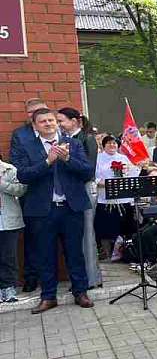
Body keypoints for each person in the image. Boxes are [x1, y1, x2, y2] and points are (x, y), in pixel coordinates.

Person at [11, 108, 95, 313]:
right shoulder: (26, 146)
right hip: (42, 210)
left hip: (70, 207)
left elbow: (87, 172)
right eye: (43, 121)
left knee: (75, 252)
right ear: (35, 126)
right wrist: (48, 161)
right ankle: (48, 296)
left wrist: (68, 159)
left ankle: (80, 292)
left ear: (56, 123)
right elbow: (23, 175)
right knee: (45, 255)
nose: (48, 124)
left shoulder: (73, 143)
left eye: (51, 120)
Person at [57, 107, 102, 290]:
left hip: (85, 189)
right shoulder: (63, 140)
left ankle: (91, 278)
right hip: (71, 191)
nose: (59, 124)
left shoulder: (87, 138)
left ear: (74, 121)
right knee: (76, 235)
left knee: (86, 234)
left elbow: (88, 170)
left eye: (62, 121)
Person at [9, 98, 48, 294]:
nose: (35, 114)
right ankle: (31, 278)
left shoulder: (55, 132)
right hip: (32, 193)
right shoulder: (20, 135)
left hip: (56, 194)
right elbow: (17, 165)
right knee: (32, 238)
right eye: (31, 112)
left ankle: (54, 278)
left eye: (39, 110)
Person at [95, 135, 138, 262]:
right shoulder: (98, 159)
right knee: (106, 230)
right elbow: (94, 177)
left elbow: (132, 173)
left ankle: (124, 253)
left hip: (123, 199)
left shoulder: (123, 158)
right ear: (104, 145)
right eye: (109, 143)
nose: (112, 145)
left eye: (114, 143)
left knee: (125, 228)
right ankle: (108, 255)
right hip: (106, 199)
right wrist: (104, 183)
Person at [0, 151, 27, 303]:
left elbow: (22, 189)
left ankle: (9, 287)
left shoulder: (9, 169)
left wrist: (2, 185)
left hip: (8, 220)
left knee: (8, 256)